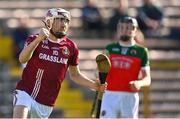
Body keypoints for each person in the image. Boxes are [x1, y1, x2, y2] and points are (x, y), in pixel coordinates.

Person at [12, 8, 104, 118]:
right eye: (60, 20)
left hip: (46, 102)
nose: (64, 24)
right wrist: (38, 40)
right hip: (26, 92)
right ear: (49, 21)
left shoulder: (71, 47)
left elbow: (75, 75)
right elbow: (22, 59)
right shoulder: (35, 39)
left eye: (66, 21)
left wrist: (94, 85)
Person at [100, 17, 151, 118]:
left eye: (128, 28)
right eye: (122, 27)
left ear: (135, 30)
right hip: (109, 94)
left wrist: (139, 83)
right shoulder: (109, 49)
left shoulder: (142, 51)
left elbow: (147, 79)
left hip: (130, 96)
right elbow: (99, 71)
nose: (124, 30)